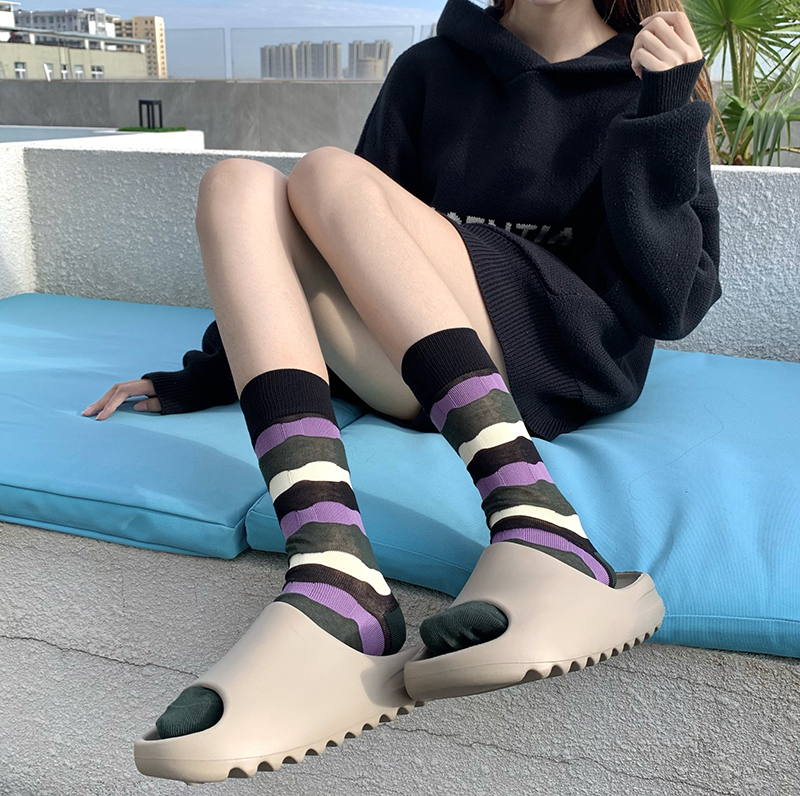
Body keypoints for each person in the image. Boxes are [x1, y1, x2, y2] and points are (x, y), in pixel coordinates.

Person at [90, 0, 721, 775]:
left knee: (326, 170)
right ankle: (335, 574)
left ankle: (538, 517)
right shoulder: (432, 70)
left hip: (563, 360)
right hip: (427, 369)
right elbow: (332, 238)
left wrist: (664, 111)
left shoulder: (647, 76)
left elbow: (671, 302)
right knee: (236, 184)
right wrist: (202, 376)